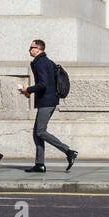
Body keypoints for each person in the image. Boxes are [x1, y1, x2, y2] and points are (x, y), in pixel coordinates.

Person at [18, 39, 77, 173]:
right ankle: (39, 164)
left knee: (40, 131)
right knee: (37, 133)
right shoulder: (47, 61)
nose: (29, 50)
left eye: (31, 47)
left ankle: (68, 151)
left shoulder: (40, 63)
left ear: (38, 49)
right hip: (49, 100)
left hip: (46, 101)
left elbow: (43, 84)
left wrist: (28, 89)